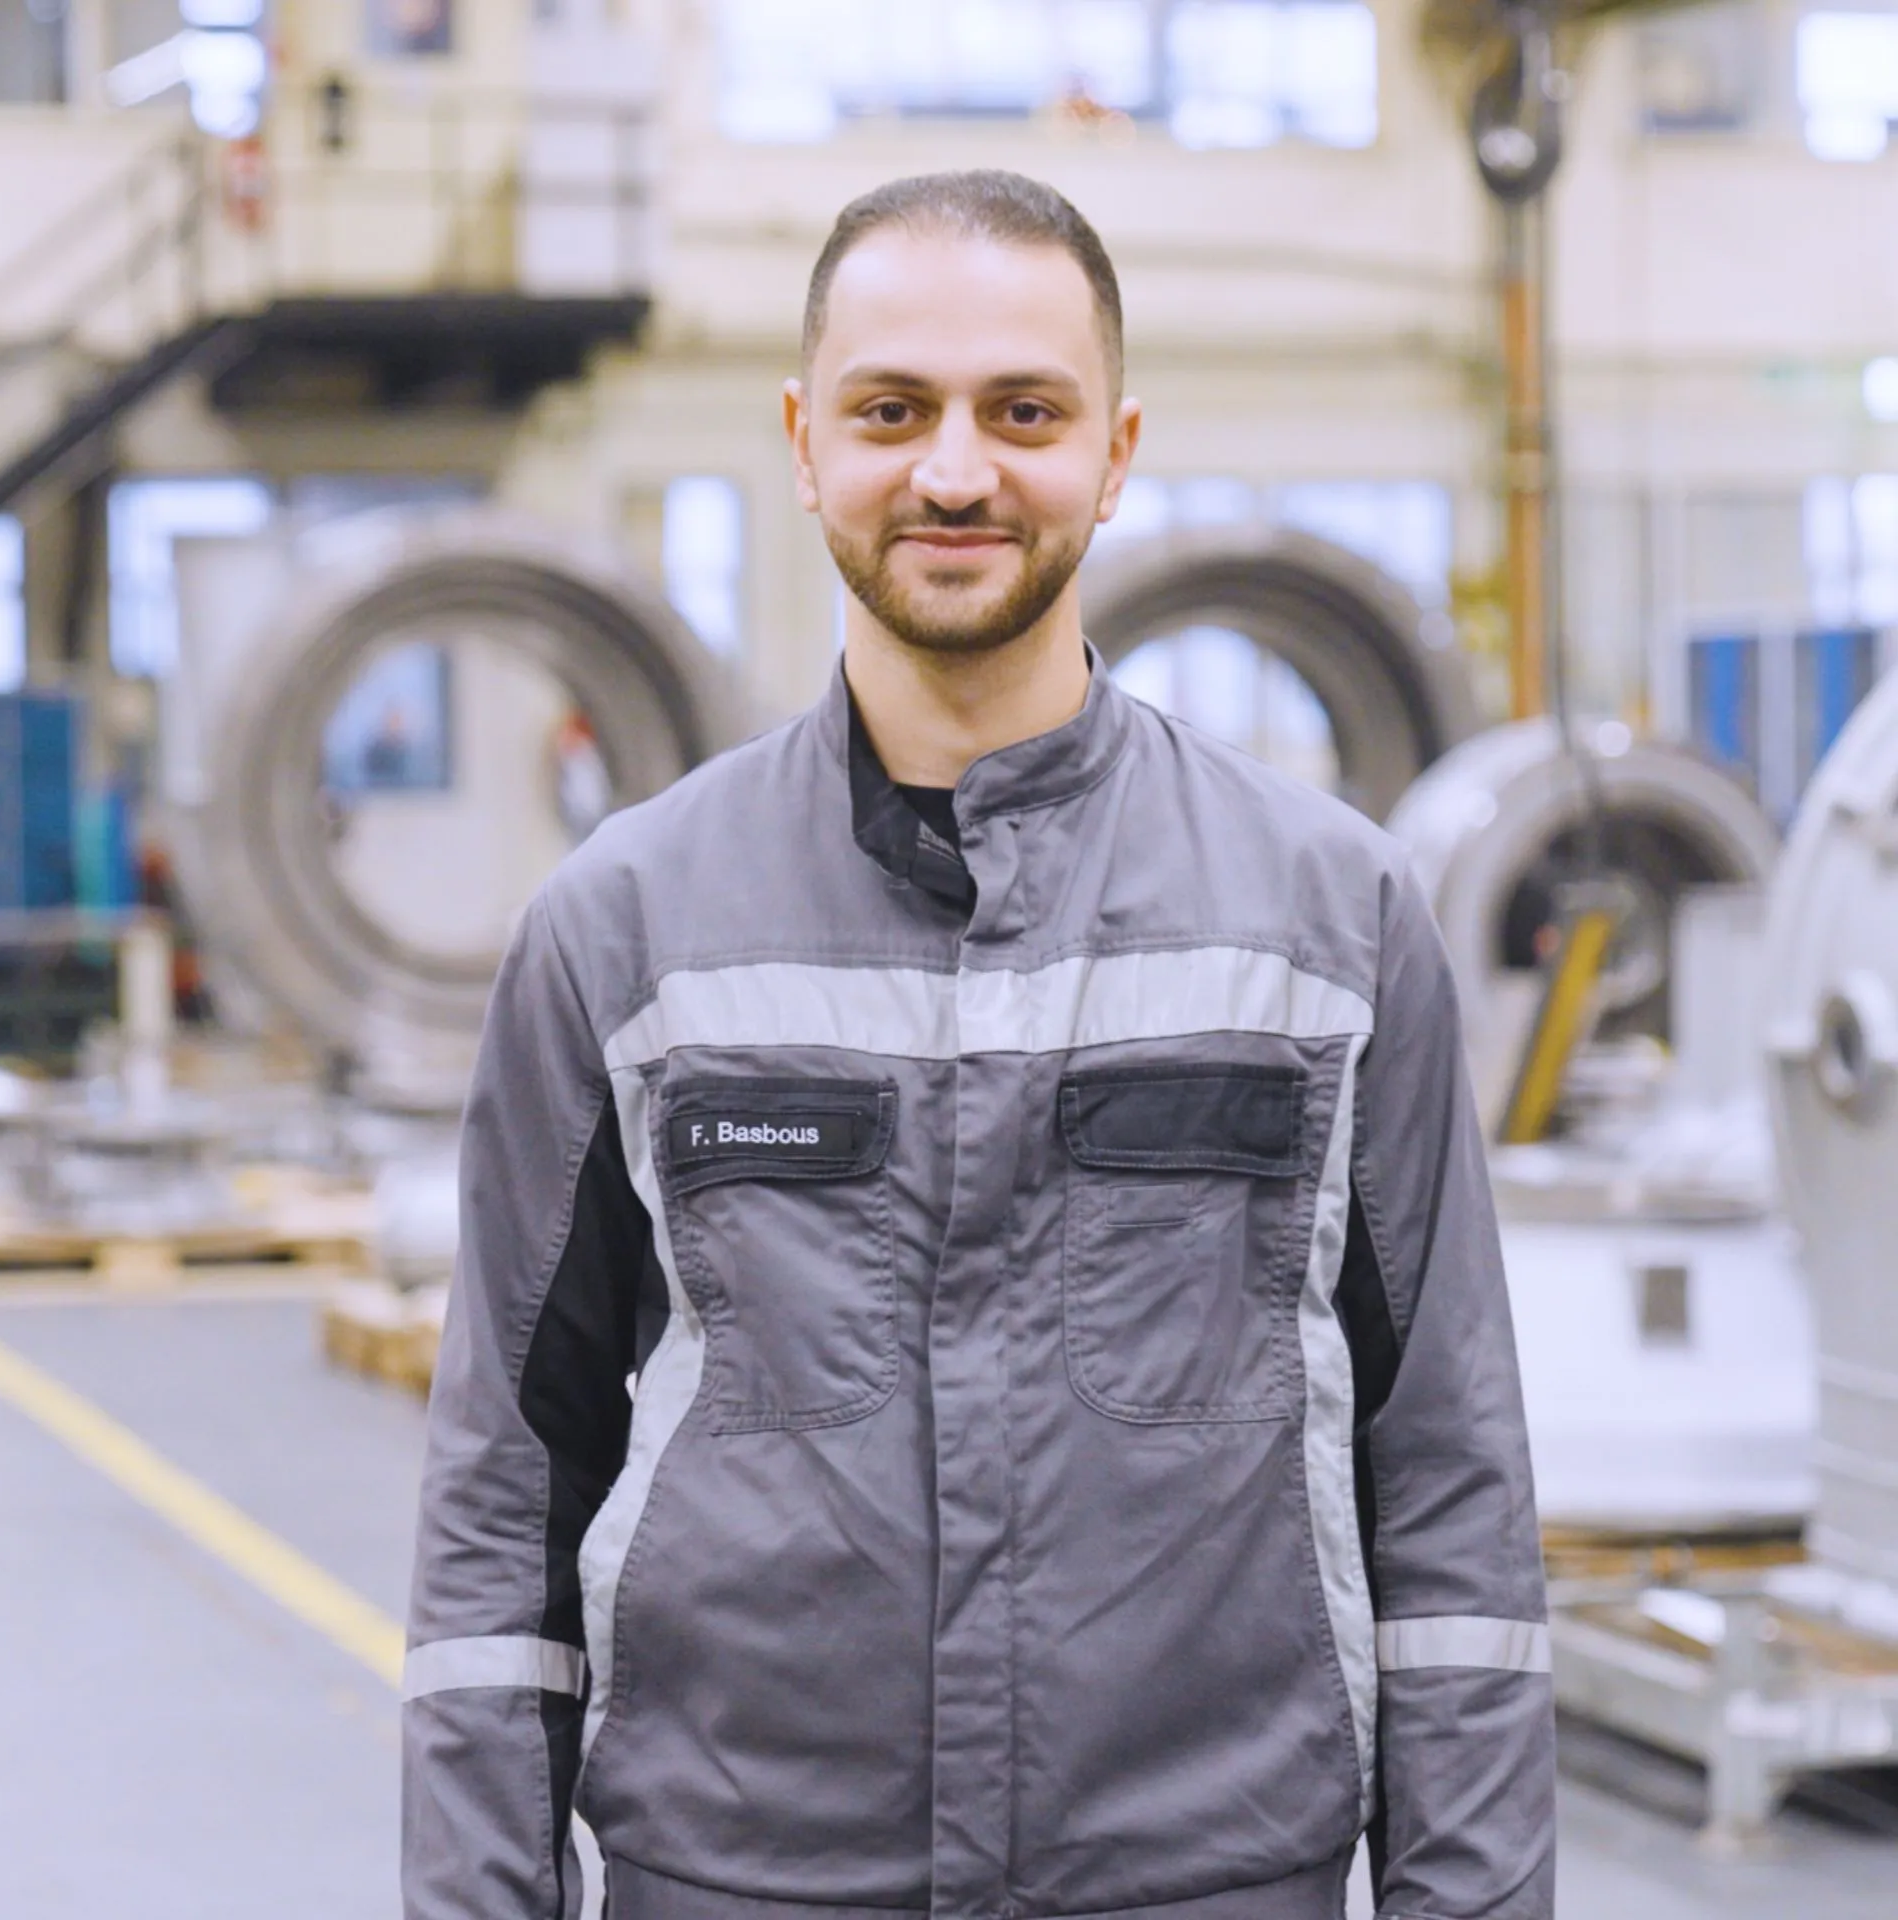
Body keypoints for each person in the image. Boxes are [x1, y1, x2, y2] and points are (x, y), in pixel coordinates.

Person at [403, 170, 1554, 1920]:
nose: (955, 474)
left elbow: (1449, 1481)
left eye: (1024, 412)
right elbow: (506, 1488)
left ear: (1116, 449)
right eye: (892, 412)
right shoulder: (624, 931)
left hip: (1202, 1879)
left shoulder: (1331, 924)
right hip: (749, 1878)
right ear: (805, 444)